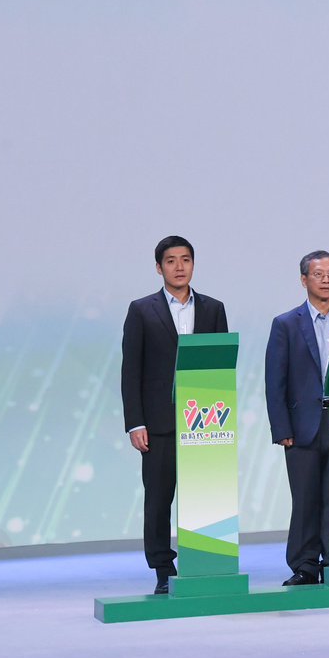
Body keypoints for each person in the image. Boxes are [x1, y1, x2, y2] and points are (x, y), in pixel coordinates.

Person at [121, 236, 229, 594]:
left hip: (204, 422)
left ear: (193, 264)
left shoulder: (214, 308)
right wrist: (136, 422)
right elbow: (131, 369)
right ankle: (163, 570)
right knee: (158, 501)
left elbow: (220, 366)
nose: (179, 266)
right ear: (159, 267)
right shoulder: (142, 310)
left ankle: (205, 562)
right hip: (158, 424)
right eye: (171, 260)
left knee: (206, 494)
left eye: (185, 259)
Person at [265, 250, 329, 585]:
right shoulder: (286, 323)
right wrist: (281, 427)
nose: (326, 280)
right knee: (306, 498)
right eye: (319, 274)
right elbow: (275, 380)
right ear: (303, 279)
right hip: (301, 425)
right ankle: (305, 565)